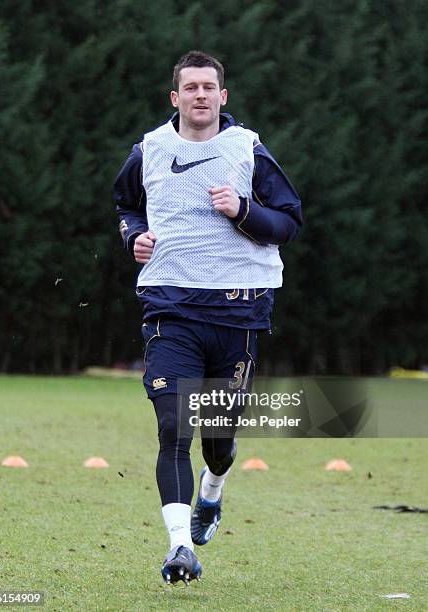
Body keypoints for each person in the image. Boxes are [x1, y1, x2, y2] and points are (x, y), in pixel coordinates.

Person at [114, 50, 302, 585]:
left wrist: (242, 211)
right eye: (189, 87)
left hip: (237, 311)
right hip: (169, 306)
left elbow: (288, 222)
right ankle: (179, 549)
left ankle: (213, 489)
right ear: (175, 98)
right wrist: (134, 235)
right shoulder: (150, 149)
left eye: (208, 87)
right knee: (174, 427)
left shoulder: (247, 150)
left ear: (223, 97)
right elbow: (125, 203)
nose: (200, 95)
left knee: (218, 442)